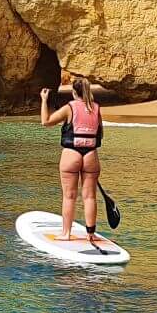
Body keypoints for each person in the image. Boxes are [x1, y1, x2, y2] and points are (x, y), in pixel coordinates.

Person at [40, 77, 104, 246]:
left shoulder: (70, 108)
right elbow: (100, 133)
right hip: (91, 155)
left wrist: (44, 100)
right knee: (90, 196)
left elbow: (45, 122)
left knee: (69, 196)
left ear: (74, 92)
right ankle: (91, 235)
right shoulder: (96, 108)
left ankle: (66, 233)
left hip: (71, 154)